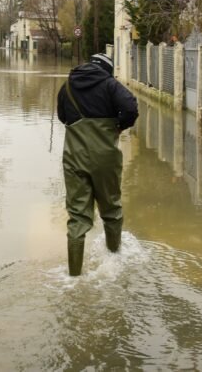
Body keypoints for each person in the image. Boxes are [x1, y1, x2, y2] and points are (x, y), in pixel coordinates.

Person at [56, 52, 139, 276]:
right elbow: (131, 108)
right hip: (105, 157)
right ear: (107, 70)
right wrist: (119, 126)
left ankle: (73, 276)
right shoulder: (110, 85)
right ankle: (114, 261)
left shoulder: (68, 86)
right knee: (111, 209)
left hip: (74, 158)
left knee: (77, 217)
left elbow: (62, 116)